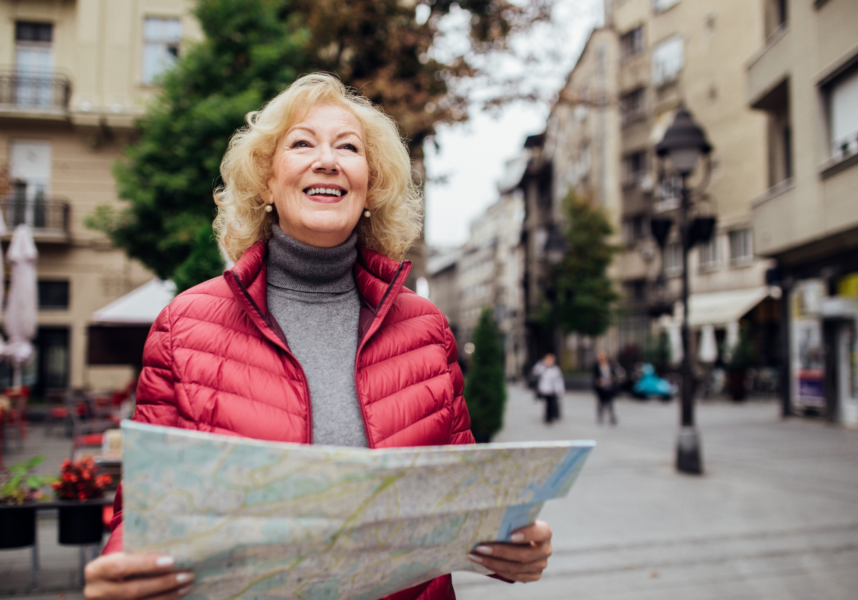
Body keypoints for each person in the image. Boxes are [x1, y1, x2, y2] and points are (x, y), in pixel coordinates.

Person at [83, 74, 552, 600]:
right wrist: (124, 569)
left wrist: (512, 548)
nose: (326, 160)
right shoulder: (184, 324)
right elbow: (146, 507)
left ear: (370, 186)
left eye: (347, 147)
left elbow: (464, 503)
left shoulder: (426, 328)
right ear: (267, 181)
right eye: (302, 143)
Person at [592, 350, 621, 425]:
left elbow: (614, 375)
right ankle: (600, 417)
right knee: (600, 403)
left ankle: (612, 417)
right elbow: (594, 377)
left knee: (610, 403)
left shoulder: (610, 365)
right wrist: (598, 382)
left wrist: (612, 378)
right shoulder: (596, 366)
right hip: (601, 388)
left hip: (609, 387)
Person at [535, 354, 564, 424]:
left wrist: (560, 389)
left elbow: (559, 380)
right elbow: (535, 371)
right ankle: (547, 417)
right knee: (546, 404)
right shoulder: (542, 368)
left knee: (551, 404)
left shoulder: (556, 369)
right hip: (544, 389)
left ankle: (551, 417)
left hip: (553, 389)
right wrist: (542, 363)